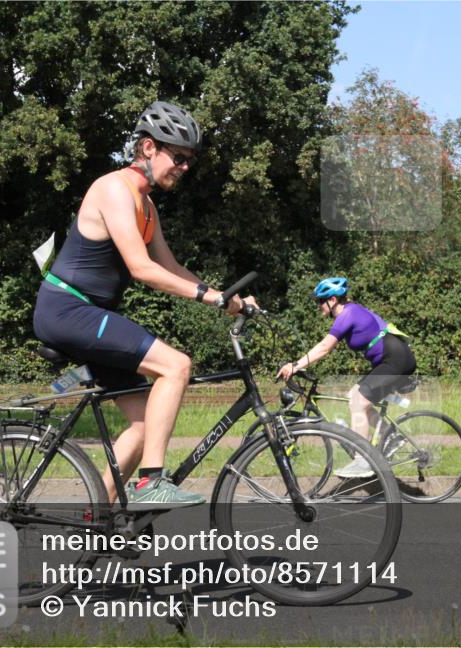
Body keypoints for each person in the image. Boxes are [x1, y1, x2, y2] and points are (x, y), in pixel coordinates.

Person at [33, 101, 255, 506]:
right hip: (68, 309)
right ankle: (152, 480)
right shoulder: (114, 189)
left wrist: (229, 299)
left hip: (88, 314)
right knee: (176, 366)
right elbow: (141, 269)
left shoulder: (147, 206)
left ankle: (96, 518)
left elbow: (170, 266)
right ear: (149, 148)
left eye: (190, 160)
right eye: (180, 157)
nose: (185, 167)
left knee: (141, 424)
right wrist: (209, 297)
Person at [276, 277, 416, 478]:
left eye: (320, 301)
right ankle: (391, 437)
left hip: (395, 359)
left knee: (358, 402)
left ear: (332, 300)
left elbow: (324, 348)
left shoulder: (348, 314)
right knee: (354, 396)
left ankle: (363, 461)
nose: (318, 306)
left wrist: (295, 365)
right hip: (392, 358)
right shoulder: (352, 311)